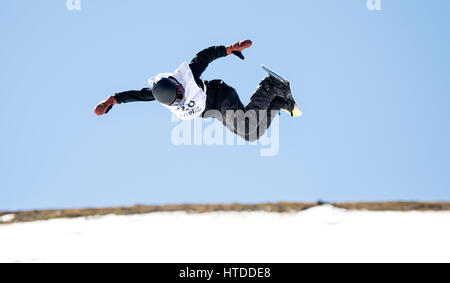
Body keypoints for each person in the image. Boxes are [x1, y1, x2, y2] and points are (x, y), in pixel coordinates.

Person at [94, 40, 300, 142]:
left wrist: (229, 49)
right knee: (253, 134)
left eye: (181, 92)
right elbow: (136, 95)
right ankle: (279, 102)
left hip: (221, 96)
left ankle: (270, 87)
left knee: (247, 126)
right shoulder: (158, 95)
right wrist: (112, 100)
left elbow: (204, 56)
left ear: (177, 85)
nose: (182, 96)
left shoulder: (187, 75)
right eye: (178, 100)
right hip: (216, 111)